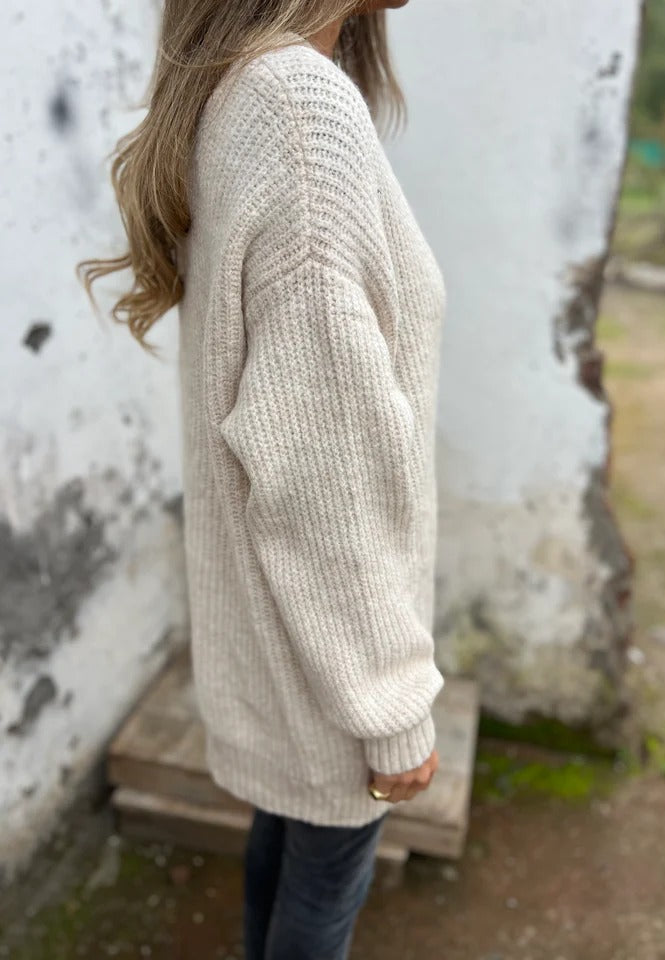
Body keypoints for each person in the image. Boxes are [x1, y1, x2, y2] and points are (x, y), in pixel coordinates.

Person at [79, 2, 446, 957]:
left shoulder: (243, 90)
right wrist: (391, 707)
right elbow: (324, 470)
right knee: (316, 902)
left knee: (283, 863)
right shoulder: (299, 111)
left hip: (282, 634)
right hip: (325, 660)